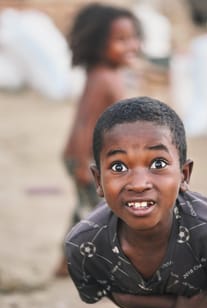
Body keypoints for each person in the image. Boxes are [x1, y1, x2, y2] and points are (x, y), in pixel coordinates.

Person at [65, 96, 207, 308]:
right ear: (98, 180)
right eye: (118, 166)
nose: (139, 183)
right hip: (153, 306)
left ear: (184, 175)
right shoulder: (87, 245)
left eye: (158, 164)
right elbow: (110, 293)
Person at [55, 3, 142, 276]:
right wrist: (82, 165)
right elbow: (84, 122)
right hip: (86, 158)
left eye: (133, 37)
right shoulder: (101, 77)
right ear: (97, 44)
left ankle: (66, 263)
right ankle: (100, 269)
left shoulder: (113, 74)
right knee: (102, 214)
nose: (131, 45)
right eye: (120, 40)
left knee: (88, 210)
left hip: (97, 159)